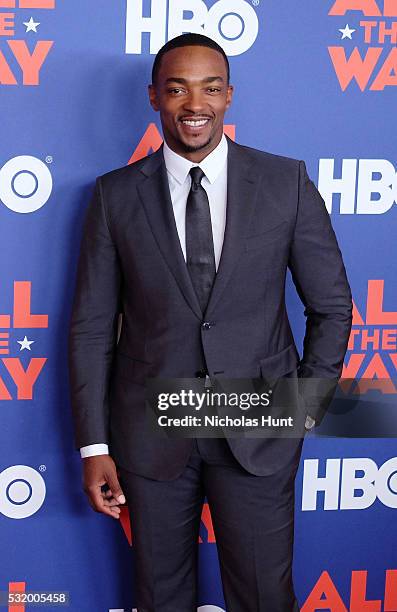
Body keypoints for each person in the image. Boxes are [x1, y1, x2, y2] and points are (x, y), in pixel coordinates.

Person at [68, 33, 352, 612]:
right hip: (150, 435)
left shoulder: (285, 183)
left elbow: (333, 306)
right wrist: (93, 445)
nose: (194, 103)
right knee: (159, 596)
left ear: (229, 97)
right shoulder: (115, 196)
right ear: (154, 98)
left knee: (264, 596)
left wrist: (301, 405)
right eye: (177, 88)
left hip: (258, 427)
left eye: (210, 88)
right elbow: (93, 329)